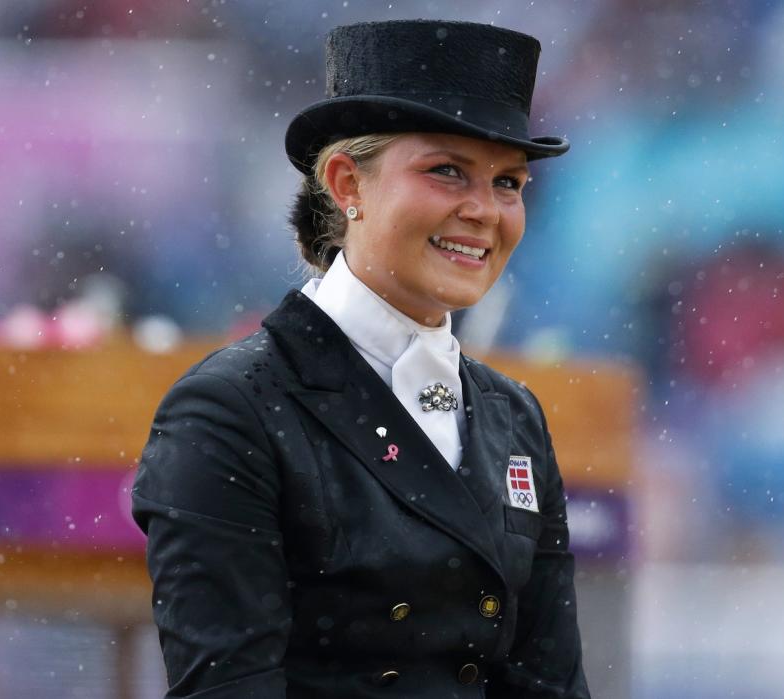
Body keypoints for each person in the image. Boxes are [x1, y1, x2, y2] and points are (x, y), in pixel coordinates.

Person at [131, 19, 591, 698]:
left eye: (507, 183)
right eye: (447, 172)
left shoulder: (514, 418)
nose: (484, 211)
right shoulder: (231, 410)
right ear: (347, 183)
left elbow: (550, 684)